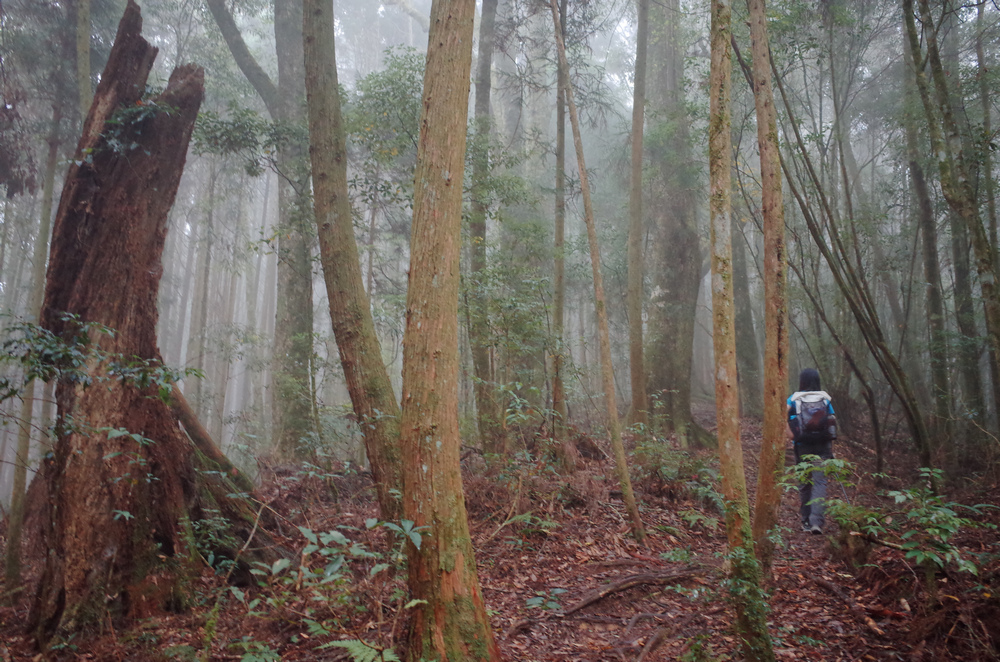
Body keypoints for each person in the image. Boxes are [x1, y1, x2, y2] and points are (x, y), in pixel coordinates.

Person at [787, 368, 836, 534]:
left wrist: (791, 434)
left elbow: (782, 415)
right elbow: (831, 423)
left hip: (802, 446)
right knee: (820, 482)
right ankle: (817, 522)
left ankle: (806, 521)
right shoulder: (825, 398)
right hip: (822, 446)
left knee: (804, 484)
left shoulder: (794, 398)